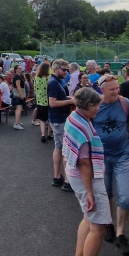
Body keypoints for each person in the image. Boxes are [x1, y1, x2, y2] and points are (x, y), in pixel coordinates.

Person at [94, 74, 129, 256]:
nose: (116, 92)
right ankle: (109, 224)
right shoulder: (94, 105)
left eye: (117, 88)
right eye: (112, 89)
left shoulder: (124, 103)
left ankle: (120, 234)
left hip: (122, 155)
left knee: (126, 198)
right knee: (106, 193)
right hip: (101, 157)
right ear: (102, 90)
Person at [64, 88, 108, 256]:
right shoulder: (82, 126)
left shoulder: (74, 117)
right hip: (86, 179)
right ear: (88, 105)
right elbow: (84, 163)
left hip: (74, 175)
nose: (98, 108)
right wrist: (90, 192)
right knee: (99, 226)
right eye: (96, 105)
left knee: (88, 218)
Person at [49, 59, 77, 191]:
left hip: (57, 119)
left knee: (59, 147)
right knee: (66, 150)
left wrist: (68, 99)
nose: (66, 72)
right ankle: (67, 181)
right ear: (56, 69)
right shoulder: (54, 83)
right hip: (59, 120)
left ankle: (57, 176)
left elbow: (57, 99)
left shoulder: (57, 81)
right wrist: (70, 101)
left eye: (67, 70)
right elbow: (53, 103)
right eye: (64, 70)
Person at [34, 62, 52, 143]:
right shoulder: (49, 78)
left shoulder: (37, 77)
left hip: (40, 101)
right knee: (50, 119)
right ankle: (49, 134)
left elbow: (35, 88)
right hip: (49, 100)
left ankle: (43, 135)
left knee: (42, 120)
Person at [11, 65, 26, 130]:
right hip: (18, 94)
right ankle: (16, 123)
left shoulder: (19, 76)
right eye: (19, 68)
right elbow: (18, 86)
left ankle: (17, 121)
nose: (20, 69)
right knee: (19, 108)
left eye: (21, 68)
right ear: (16, 69)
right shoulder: (17, 77)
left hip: (18, 93)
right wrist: (21, 94)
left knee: (18, 108)